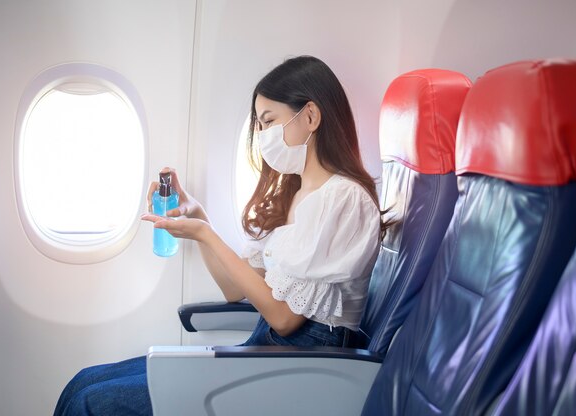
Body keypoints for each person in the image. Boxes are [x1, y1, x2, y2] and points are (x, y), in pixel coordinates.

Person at [54, 55, 387, 416]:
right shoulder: (296, 191)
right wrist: (198, 217)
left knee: (92, 402)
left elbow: (285, 319)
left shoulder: (344, 199)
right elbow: (235, 289)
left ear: (310, 116)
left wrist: (208, 235)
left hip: (304, 370)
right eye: (259, 126)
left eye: (269, 122)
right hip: (270, 354)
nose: (262, 137)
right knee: (84, 381)